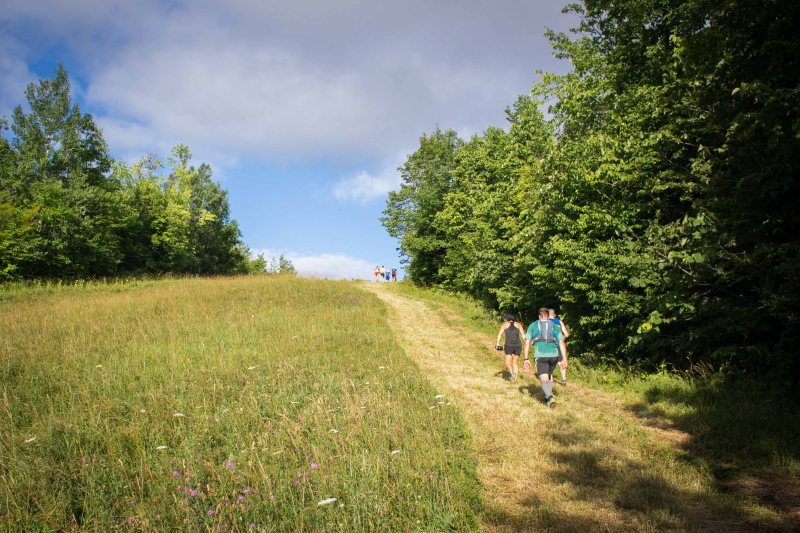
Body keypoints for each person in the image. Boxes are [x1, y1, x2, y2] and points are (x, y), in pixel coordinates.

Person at [524, 307, 567, 407]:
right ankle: (547, 399)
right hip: (554, 356)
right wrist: (564, 359)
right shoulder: (555, 326)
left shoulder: (533, 325)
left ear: (539, 316)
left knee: (544, 379)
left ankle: (550, 397)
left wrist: (526, 359)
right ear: (548, 316)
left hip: (541, 355)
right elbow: (561, 342)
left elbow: (526, 343)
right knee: (548, 376)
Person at [495, 313, 525, 383]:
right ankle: (514, 380)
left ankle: (512, 374)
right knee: (515, 363)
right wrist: (526, 343)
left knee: (508, 363)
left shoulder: (504, 325)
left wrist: (497, 344)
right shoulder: (519, 325)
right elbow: (523, 335)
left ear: (507, 319)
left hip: (509, 345)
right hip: (518, 345)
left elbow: (499, 334)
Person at [548, 308, 570, 386]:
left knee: (549, 362)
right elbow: (566, 334)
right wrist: (561, 338)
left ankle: (551, 380)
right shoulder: (559, 322)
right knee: (561, 362)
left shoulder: (545, 322)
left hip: (549, 345)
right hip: (559, 345)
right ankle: (564, 380)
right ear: (554, 315)